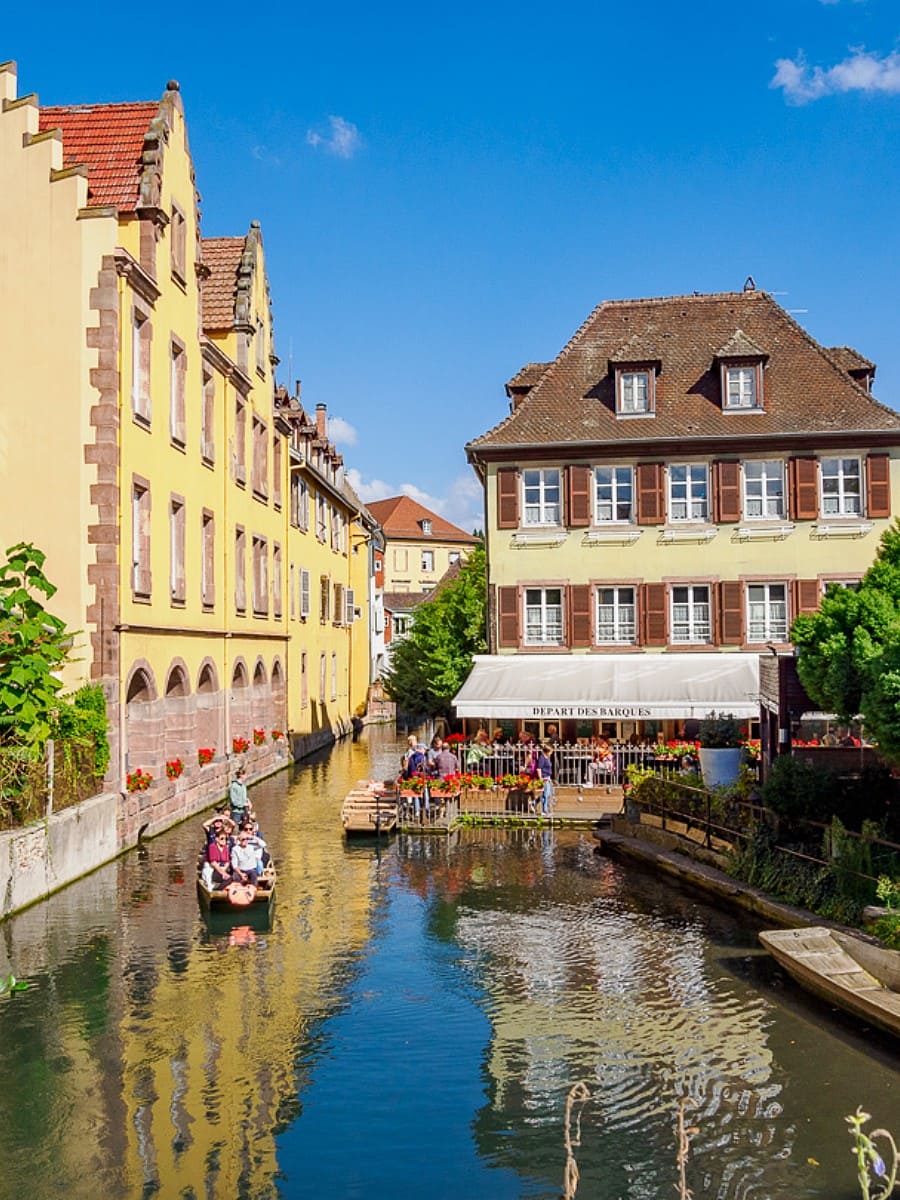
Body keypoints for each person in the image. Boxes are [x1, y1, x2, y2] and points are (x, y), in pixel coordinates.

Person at [535, 742, 555, 815]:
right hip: (544, 778)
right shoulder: (542, 758)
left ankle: (534, 802)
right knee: (546, 794)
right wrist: (541, 778)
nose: (551, 753)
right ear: (547, 751)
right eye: (551, 752)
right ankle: (544, 810)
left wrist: (549, 777)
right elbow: (539, 769)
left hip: (547, 777)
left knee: (547, 793)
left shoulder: (547, 758)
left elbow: (548, 769)